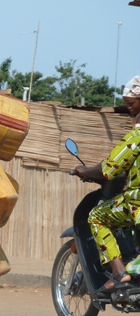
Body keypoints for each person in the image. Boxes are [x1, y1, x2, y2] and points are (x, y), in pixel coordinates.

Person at [73, 75, 140, 293]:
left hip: (136, 202)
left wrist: (85, 170)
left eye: (131, 104)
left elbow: (110, 167)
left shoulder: (137, 135)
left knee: (97, 216)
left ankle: (120, 274)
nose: (129, 109)